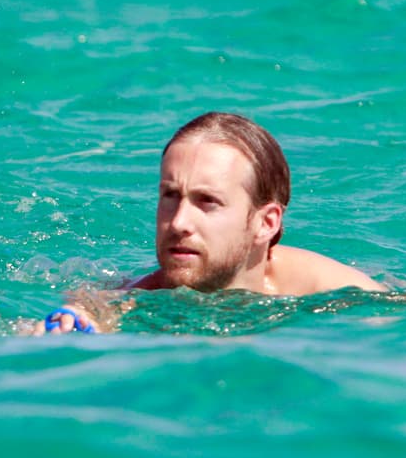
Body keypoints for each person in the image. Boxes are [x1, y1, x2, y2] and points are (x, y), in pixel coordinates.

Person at [35, 111, 387, 335]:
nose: (179, 223)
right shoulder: (137, 298)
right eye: (170, 196)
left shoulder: (339, 295)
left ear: (265, 223)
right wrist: (71, 323)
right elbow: (90, 308)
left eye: (207, 202)